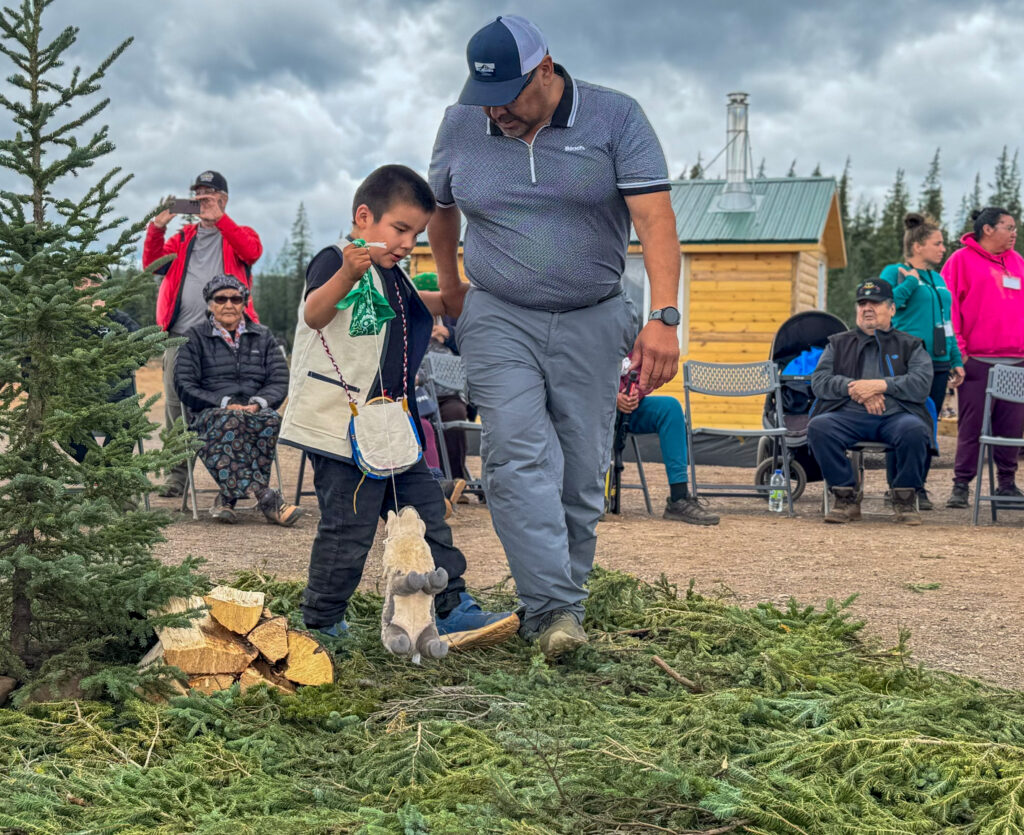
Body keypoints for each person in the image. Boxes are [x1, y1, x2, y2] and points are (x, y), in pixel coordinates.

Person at [427, 15, 680, 657]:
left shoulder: (616, 117)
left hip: (594, 314)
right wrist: (452, 285)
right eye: (484, 96)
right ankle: (551, 612)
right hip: (499, 315)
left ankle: (566, 599)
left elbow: (654, 220)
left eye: (509, 93)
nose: (496, 111)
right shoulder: (463, 121)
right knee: (516, 455)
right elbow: (441, 208)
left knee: (581, 464)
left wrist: (664, 317)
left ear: (546, 70)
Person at [278, 164, 518, 649]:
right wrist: (347, 272)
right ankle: (323, 623)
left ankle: (452, 607)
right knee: (349, 527)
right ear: (363, 217)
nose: (409, 242)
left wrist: (485, 296)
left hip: (392, 424)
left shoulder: (395, 276)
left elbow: (436, 301)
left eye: (418, 233)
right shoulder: (336, 261)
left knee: (428, 515)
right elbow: (315, 312)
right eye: (401, 229)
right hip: (342, 427)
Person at [144, 170, 262, 498]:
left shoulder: (239, 233)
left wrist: (221, 219)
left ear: (223, 198)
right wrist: (157, 228)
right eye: (197, 194)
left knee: (228, 404)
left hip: (225, 339)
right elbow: (153, 266)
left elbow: (252, 252)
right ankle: (177, 477)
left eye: (209, 194)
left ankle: (233, 481)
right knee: (175, 407)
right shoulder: (182, 239)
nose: (202, 199)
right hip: (180, 336)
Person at [174, 275, 301, 526]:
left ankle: (227, 498)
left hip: (253, 410)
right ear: (210, 304)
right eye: (221, 298)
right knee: (232, 420)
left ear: (244, 303)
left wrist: (258, 402)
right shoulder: (193, 338)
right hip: (209, 413)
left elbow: (279, 380)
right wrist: (224, 403)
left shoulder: (263, 336)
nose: (229, 304)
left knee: (270, 420)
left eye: (236, 298)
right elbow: (184, 384)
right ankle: (267, 499)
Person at [807, 279, 933, 525]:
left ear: (892, 309)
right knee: (819, 427)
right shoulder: (838, 343)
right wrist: (853, 387)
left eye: (875, 303)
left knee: (915, 430)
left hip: (895, 416)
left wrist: (880, 385)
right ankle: (846, 497)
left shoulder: (911, 344)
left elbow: (921, 384)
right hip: (848, 416)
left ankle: (904, 499)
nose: (867, 308)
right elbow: (819, 382)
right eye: (862, 303)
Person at [879, 213, 965, 508]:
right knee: (901, 422)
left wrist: (955, 359)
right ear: (918, 246)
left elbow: (946, 322)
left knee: (927, 424)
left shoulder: (939, 279)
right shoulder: (895, 272)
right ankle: (897, 487)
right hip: (905, 362)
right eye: (937, 244)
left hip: (938, 362)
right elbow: (886, 307)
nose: (944, 249)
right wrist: (910, 283)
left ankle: (918, 486)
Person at [941, 206, 1024, 508]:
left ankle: (1006, 485)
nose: (1014, 233)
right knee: (971, 425)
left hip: (1016, 361)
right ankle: (961, 485)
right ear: (988, 229)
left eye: (1015, 228)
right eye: (1008, 227)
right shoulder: (960, 261)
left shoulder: (1018, 264)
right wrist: (959, 353)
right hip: (976, 361)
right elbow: (948, 310)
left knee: (1012, 425)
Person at [614, 357, 719, 525]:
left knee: (670, 407)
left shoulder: (634, 334)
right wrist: (612, 396)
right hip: (594, 407)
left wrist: (635, 392)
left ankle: (679, 498)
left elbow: (643, 369)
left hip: (628, 408)